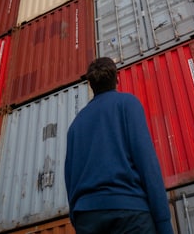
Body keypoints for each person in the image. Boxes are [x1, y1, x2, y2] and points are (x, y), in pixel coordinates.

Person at [64, 57, 174, 234]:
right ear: (117, 78)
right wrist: (163, 222)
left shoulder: (75, 126)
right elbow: (147, 164)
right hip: (130, 214)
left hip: (87, 219)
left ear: (91, 86)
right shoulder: (128, 104)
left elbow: (70, 181)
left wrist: (79, 220)